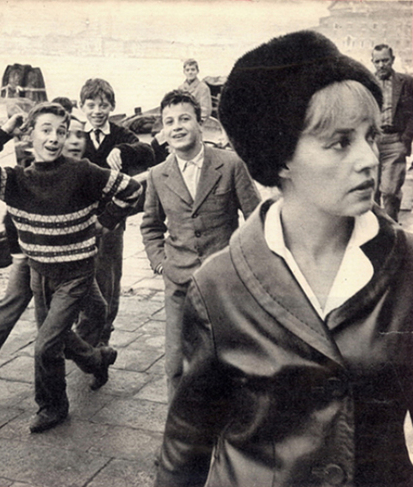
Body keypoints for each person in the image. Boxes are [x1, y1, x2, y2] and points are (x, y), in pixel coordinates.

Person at [155, 30, 413, 487]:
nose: (369, 159)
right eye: (340, 142)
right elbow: (186, 443)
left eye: (370, 137)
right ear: (281, 158)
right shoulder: (218, 286)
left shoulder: (407, 264)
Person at [0, 102, 142, 433]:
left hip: (76, 275)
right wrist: (4, 130)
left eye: (61, 131)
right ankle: (98, 360)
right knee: (57, 337)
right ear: (29, 135)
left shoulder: (82, 171)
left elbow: (132, 190)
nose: (54, 138)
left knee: (46, 344)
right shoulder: (15, 181)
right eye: (45, 130)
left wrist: (106, 221)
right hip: (40, 274)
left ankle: (53, 406)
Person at [0, 111, 106, 392]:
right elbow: (9, 214)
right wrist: (19, 253)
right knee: (15, 304)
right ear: (33, 135)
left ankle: (84, 357)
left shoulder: (83, 171)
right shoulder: (27, 175)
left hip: (71, 260)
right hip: (30, 254)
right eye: (52, 131)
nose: (68, 140)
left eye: (74, 134)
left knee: (96, 309)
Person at [140, 89, 259, 402]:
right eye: (169, 122)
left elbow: (256, 220)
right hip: (179, 284)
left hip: (224, 285)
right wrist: (160, 263)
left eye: (184, 119)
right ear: (163, 132)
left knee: (227, 364)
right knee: (175, 365)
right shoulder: (157, 175)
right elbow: (150, 226)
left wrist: (242, 266)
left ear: (201, 122)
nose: (177, 126)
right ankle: (179, 444)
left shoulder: (231, 164)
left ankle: (227, 437)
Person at [78, 78, 155, 347]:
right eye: (91, 105)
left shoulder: (120, 134)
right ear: (81, 106)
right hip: (79, 220)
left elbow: (147, 151)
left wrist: (122, 150)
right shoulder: (75, 136)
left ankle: (103, 335)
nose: (98, 111)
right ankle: (83, 332)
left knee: (109, 277)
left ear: (112, 107)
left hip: (112, 218)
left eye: (104, 105)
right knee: (80, 277)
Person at [371, 44, 413, 221]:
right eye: (377, 61)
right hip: (372, 143)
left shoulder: (406, 82)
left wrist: (405, 141)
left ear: (393, 60)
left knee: (389, 191)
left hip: (395, 141)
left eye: (385, 60)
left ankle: (391, 235)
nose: (381, 65)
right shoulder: (367, 83)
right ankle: (373, 235)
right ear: (372, 62)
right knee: (370, 192)